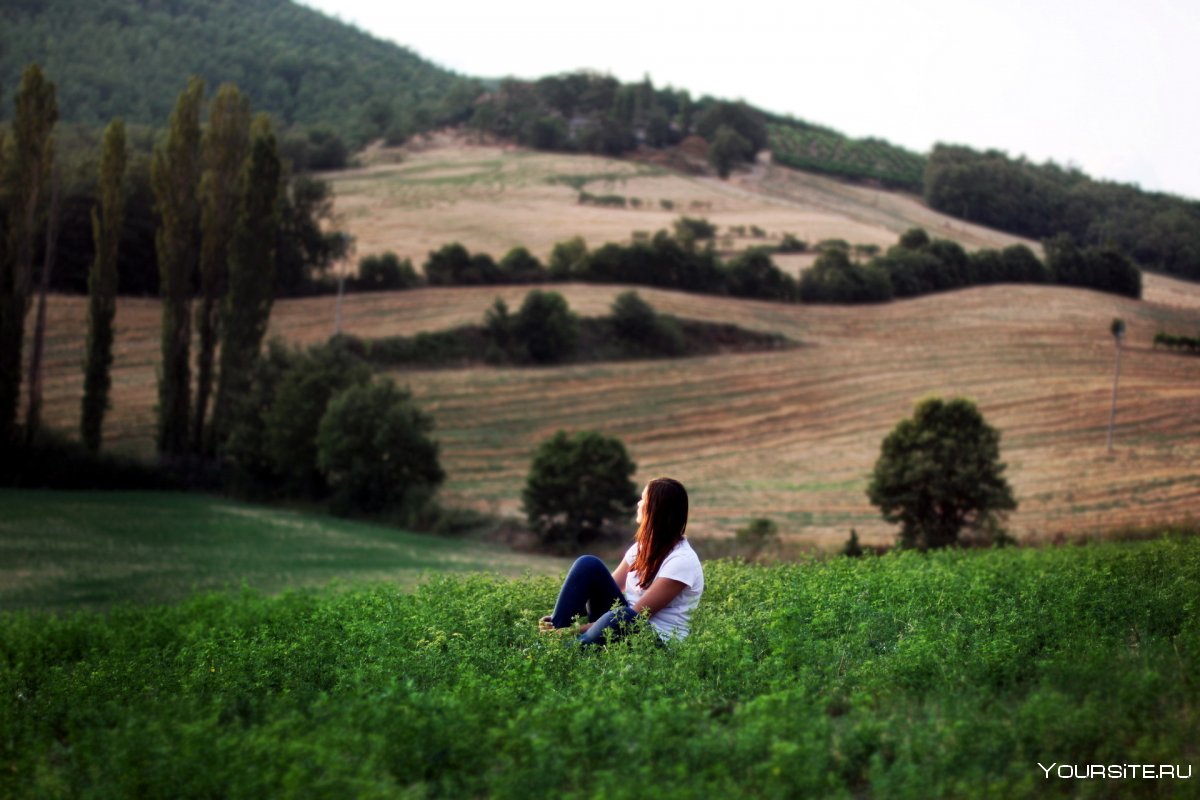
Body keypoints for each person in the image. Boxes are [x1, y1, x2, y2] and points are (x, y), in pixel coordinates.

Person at [539, 477, 704, 646]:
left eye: (643, 499)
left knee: (622, 615)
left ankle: (568, 649)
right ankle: (552, 637)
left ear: (655, 510)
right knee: (588, 565)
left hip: (652, 639)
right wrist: (564, 617)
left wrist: (573, 630)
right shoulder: (641, 548)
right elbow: (604, 587)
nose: (638, 504)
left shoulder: (682, 562)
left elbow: (637, 617)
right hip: (619, 623)